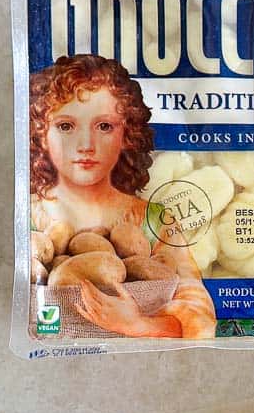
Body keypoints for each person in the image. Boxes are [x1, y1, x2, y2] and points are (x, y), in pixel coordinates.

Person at [30, 54, 216, 339]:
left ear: (127, 133)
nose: (86, 145)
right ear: (41, 134)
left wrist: (139, 324)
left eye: (104, 126)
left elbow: (200, 314)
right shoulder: (30, 216)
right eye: (66, 126)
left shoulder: (154, 220)